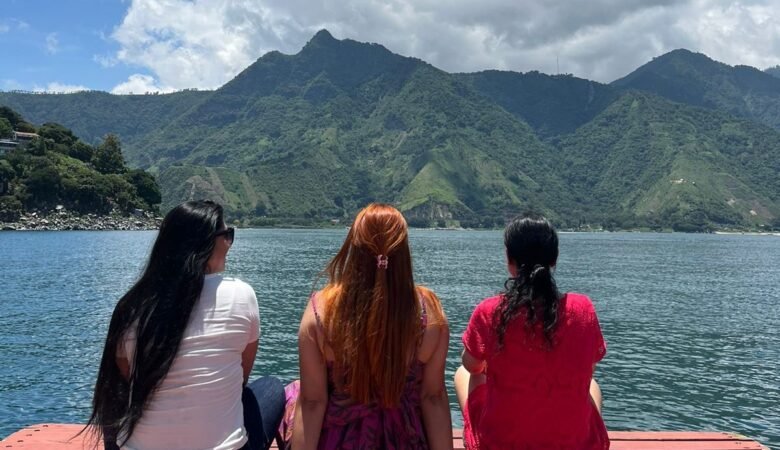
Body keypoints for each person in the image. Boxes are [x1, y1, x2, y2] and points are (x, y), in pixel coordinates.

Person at [85, 200, 285, 450]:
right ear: (209, 243)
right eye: (228, 235)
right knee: (272, 388)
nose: (230, 243)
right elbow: (241, 375)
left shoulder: (133, 305)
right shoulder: (241, 295)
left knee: (119, 398)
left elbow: (126, 377)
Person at [279, 203, 453, 450]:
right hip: (404, 440)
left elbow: (313, 402)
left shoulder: (321, 310)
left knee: (293, 391)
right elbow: (432, 397)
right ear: (403, 252)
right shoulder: (430, 312)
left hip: (339, 442)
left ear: (354, 248)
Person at [454, 216, 609, 449]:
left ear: (509, 259)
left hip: (502, 443)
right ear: (554, 260)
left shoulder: (490, 311)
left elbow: (471, 365)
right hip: (574, 443)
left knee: (462, 374)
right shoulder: (583, 309)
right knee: (591, 383)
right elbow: (589, 366)